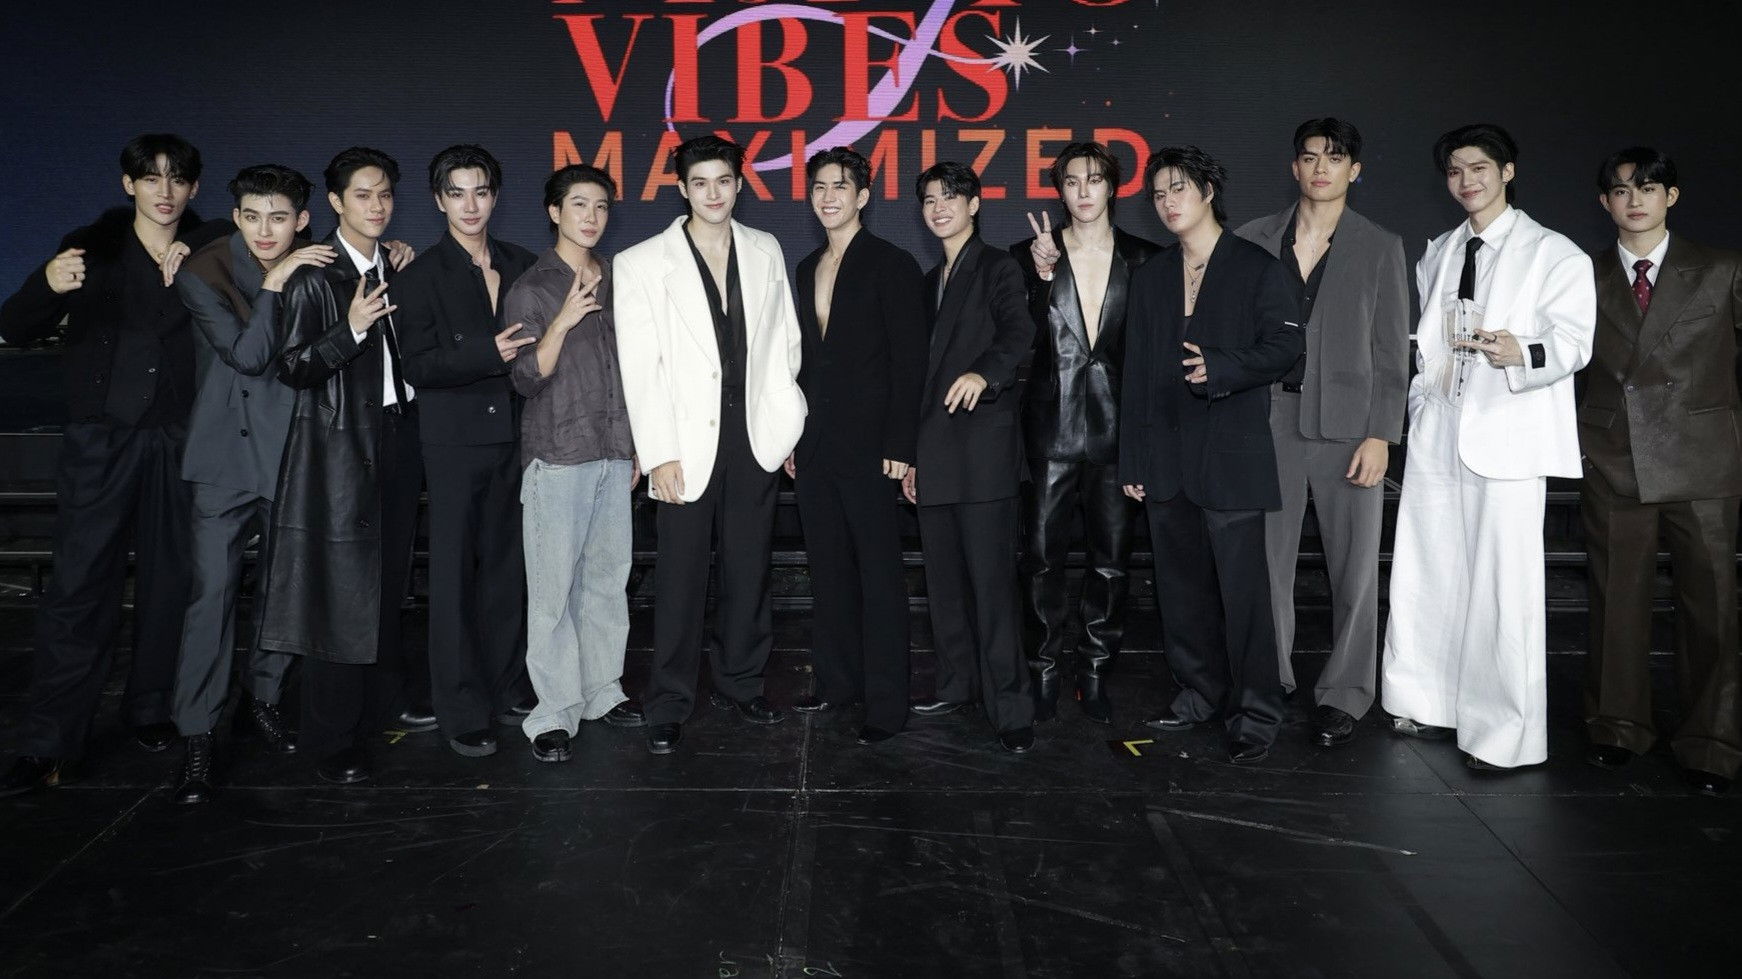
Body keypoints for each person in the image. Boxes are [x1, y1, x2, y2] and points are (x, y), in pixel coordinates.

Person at [0, 134, 221, 797]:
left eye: (177, 179)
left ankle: (150, 708)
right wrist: (46, 285)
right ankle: (50, 741)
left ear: (193, 188)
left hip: (179, 440)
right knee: (78, 589)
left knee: (171, 583)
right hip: (102, 441)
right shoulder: (90, 247)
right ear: (128, 185)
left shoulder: (213, 245)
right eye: (150, 178)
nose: (164, 190)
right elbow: (15, 326)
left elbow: (289, 243)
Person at [1382, 124, 1595, 771]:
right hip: (1440, 429)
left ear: (1508, 171)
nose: (1466, 180)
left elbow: (1576, 342)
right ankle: (1429, 701)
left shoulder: (1553, 253)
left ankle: (1505, 734)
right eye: (1454, 171)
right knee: (1429, 570)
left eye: (1478, 167)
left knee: (1505, 587)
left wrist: (1521, 351)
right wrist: (1423, 403)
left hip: (1508, 431)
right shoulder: (1442, 251)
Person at [614, 135, 806, 754]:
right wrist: (659, 451)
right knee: (680, 577)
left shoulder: (765, 247)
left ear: (739, 184)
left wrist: (785, 422)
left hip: (754, 437)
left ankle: (741, 681)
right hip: (683, 443)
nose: (713, 193)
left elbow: (786, 343)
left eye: (724, 180)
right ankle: (669, 699)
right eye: (700, 183)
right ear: (682, 189)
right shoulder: (641, 262)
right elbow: (640, 368)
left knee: (750, 569)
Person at [1120, 146, 1303, 765]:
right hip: (1165, 459)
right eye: (1158, 194)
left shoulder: (1256, 266)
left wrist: (1222, 367)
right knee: (1180, 592)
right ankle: (1199, 694)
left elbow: (1286, 348)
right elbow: (1136, 374)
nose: (1168, 202)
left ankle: (1256, 713)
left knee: (1245, 596)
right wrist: (1133, 460)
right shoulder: (1151, 275)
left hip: (1231, 455)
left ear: (1207, 191)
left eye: (1179, 189)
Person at [1233, 119, 1410, 749]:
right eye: (1310, 158)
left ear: (1354, 171)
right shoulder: (1252, 238)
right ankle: (1271, 677)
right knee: (1265, 564)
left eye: (1334, 158)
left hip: (1350, 430)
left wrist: (1381, 433)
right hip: (1268, 420)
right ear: (1295, 167)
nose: (1320, 169)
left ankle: (1346, 693)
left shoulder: (1380, 246)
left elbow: (1391, 351)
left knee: (1354, 569)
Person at [167, 165, 333, 804]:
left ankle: (263, 696)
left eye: (279, 218)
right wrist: (274, 283)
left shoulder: (319, 264)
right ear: (235, 217)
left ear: (302, 220)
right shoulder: (200, 271)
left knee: (283, 591)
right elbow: (247, 355)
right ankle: (197, 733)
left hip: (293, 451)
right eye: (253, 217)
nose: (266, 231)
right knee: (210, 596)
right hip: (224, 459)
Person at [1580, 146, 1742, 796]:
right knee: (1616, 601)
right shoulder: (1581, 274)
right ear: (1605, 203)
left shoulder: (1722, 268)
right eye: (1622, 190)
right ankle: (1617, 726)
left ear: (1671, 196)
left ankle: (1712, 742)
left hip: (1704, 459)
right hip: (1613, 457)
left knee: (1713, 608)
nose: (1635, 200)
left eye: (1648, 188)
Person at [259, 147, 422, 785]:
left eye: (384, 194)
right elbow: (293, 367)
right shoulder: (315, 276)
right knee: (339, 592)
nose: (376, 206)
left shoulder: (393, 266)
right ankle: (328, 739)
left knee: (387, 581)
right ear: (334, 202)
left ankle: (378, 709)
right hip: (340, 448)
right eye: (362, 195)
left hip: (397, 437)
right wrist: (349, 329)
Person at [395, 145, 538, 758]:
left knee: (509, 571)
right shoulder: (419, 276)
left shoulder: (523, 263)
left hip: (518, 437)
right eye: (457, 193)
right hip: (453, 443)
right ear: (438, 200)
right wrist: (487, 353)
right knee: (452, 579)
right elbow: (417, 366)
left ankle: (508, 687)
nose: (470, 205)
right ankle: (458, 707)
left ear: (495, 196)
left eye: (480, 191)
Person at [1010, 141, 1158, 725]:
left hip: (1119, 434)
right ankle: (1043, 670)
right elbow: (1015, 339)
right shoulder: (1029, 257)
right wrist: (1042, 274)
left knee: (1112, 562)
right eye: (1072, 181)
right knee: (1041, 560)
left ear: (1113, 186)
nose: (1083, 191)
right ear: (1059, 190)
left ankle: (1095, 671)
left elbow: (1152, 358)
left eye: (1094, 179)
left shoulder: (1147, 259)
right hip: (1050, 431)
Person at [506, 164, 646, 764]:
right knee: (553, 591)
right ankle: (553, 712)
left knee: (607, 580)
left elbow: (634, 368)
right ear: (553, 212)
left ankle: (601, 691)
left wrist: (635, 446)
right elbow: (525, 377)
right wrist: (563, 320)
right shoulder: (532, 288)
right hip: (558, 455)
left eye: (601, 206)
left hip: (613, 452)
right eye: (579, 204)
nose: (591, 217)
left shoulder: (618, 278)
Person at [787, 148, 927, 744]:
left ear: (863, 196)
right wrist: (791, 435)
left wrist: (902, 443)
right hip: (815, 445)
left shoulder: (891, 264)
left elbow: (909, 362)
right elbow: (801, 364)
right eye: (819, 187)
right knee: (828, 571)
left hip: (873, 447)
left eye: (839, 187)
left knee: (879, 575)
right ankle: (837, 683)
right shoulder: (806, 266)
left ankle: (887, 703)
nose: (828, 197)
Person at [902, 160, 1036, 753]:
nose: (939, 208)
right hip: (934, 457)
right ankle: (957, 687)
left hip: (983, 457)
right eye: (930, 199)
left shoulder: (999, 267)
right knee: (945, 588)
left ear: (975, 204)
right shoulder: (929, 281)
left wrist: (986, 373)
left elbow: (1019, 336)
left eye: (950, 197)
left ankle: (1011, 709)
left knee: (993, 589)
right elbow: (916, 379)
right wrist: (910, 458)